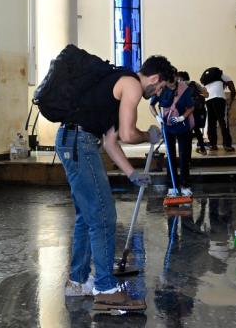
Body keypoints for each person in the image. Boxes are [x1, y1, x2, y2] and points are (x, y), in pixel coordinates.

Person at [58, 54, 176, 312]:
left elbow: (111, 142)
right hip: (79, 143)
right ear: (155, 79)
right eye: (162, 87)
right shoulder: (132, 84)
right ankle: (106, 288)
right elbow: (127, 134)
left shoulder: (117, 86)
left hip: (72, 140)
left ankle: (77, 282)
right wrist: (147, 134)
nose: (158, 93)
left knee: (86, 217)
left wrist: (131, 172)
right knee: (102, 216)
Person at [150, 73, 195, 197]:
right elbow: (151, 105)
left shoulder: (183, 89)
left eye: (172, 81)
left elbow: (191, 107)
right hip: (167, 126)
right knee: (170, 157)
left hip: (182, 126)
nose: (170, 85)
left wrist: (182, 117)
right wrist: (157, 117)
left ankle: (185, 185)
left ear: (175, 78)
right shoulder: (161, 89)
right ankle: (172, 186)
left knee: (184, 156)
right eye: (168, 82)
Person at [203, 68, 236, 152]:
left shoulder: (207, 79)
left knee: (211, 122)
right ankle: (227, 145)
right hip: (218, 98)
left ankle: (212, 144)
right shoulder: (224, 76)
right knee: (223, 122)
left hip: (208, 100)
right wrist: (230, 102)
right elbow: (233, 90)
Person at [177, 71, 208, 155]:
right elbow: (206, 95)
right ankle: (202, 149)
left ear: (180, 78)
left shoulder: (179, 85)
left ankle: (188, 158)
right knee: (197, 130)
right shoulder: (194, 84)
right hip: (196, 110)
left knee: (187, 134)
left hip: (186, 112)